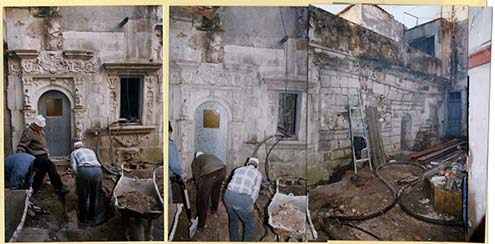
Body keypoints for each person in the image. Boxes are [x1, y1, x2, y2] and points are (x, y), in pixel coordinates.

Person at [16, 115, 68, 197]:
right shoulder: (28, 132)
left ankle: (34, 188)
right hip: (35, 156)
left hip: (43, 155)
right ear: (35, 125)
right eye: (40, 127)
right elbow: (22, 145)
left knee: (42, 172)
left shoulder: (41, 131)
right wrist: (18, 158)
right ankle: (59, 187)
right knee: (50, 165)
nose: (41, 128)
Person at [224, 157, 262, 241]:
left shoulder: (238, 169)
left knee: (233, 220)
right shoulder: (258, 173)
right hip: (243, 199)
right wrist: (250, 202)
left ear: (247, 164)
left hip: (228, 195)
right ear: (257, 166)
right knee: (249, 224)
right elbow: (255, 192)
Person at [191, 152, 227, 231]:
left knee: (202, 199)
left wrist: (200, 188)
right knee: (216, 190)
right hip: (223, 170)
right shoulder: (209, 156)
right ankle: (214, 209)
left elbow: (197, 176)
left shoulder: (195, 161)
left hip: (210, 173)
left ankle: (200, 225)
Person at [70, 141, 103, 224]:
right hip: (98, 171)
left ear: (75, 147)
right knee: (94, 194)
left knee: (83, 195)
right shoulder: (91, 151)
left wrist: (75, 175)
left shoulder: (74, 153)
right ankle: (92, 216)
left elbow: (74, 168)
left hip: (85, 171)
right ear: (83, 146)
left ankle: (83, 218)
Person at [168, 121, 186, 203]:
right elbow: (174, 165)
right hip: (166, 177)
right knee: (168, 202)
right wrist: (181, 173)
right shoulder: (170, 145)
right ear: (169, 132)